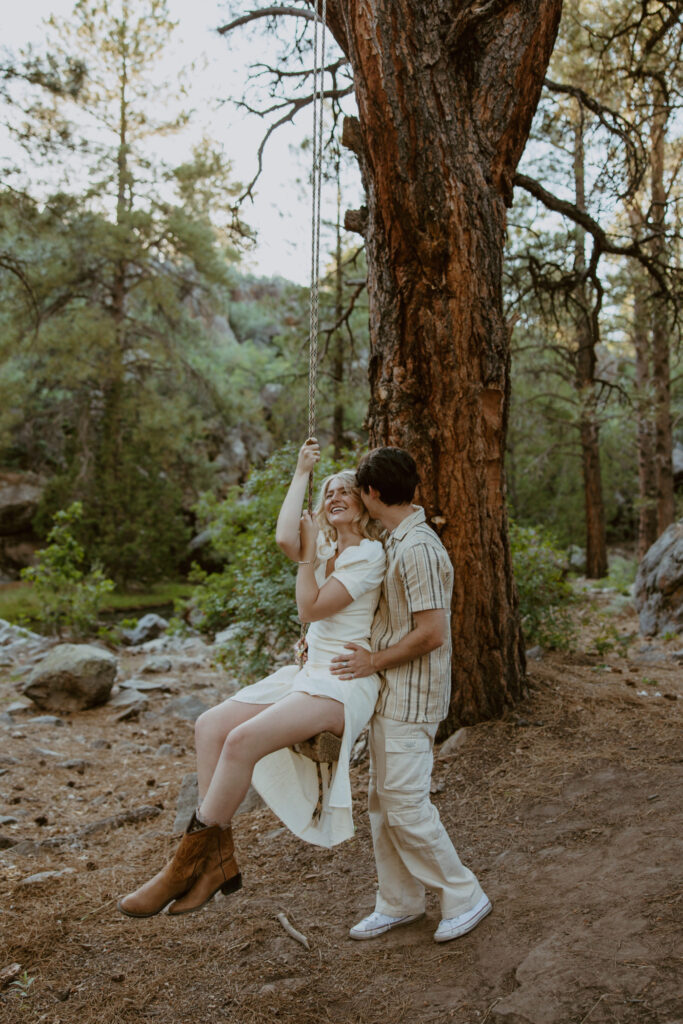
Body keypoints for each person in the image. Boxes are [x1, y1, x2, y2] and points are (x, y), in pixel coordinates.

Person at [118, 439, 386, 919]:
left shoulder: (368, 556)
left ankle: (181, 868)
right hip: (307, 673)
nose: (334, 497)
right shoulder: (324, 546)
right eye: (328, 493)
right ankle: (219, 860)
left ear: (363, 503)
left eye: (344, 489)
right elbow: (286, 537)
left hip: (342, 683)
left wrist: (308, 560)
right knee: (210, 727)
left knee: (240, 741)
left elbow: (310, 607)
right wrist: (303, 472)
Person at [330, 446, 491, 944]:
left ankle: (465, 895)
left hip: (411, 699)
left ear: (374, 493)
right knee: (382, 805)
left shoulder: (419, 548)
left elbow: (431, 633)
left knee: (405, 806)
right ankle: (399, 902)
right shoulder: (395, 540)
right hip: (388, 695)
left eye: (360, 489)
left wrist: (371, 661)